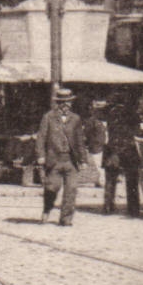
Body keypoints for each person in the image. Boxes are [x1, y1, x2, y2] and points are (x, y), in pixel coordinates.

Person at [37, 87, 86, 226]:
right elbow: (41, 137)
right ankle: (47, 209)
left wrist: (83, 159)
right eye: (62, 102)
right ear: (57, 103)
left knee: (71, 189)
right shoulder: (48, 117)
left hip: (71, 160)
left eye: (69, 102)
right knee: (52, 187)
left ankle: (66, 219)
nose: (66, 105)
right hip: (54, 160)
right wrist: (41, 155)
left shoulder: (76, 119)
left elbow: (80, 140)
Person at [103, 102, 143, 218]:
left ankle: (108, 206)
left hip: (112, 148)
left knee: (110, 180)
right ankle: (133, 209)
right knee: (132, 181)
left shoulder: (108, 113)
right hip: (128, 148)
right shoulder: (132, 114)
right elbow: (138, 131)